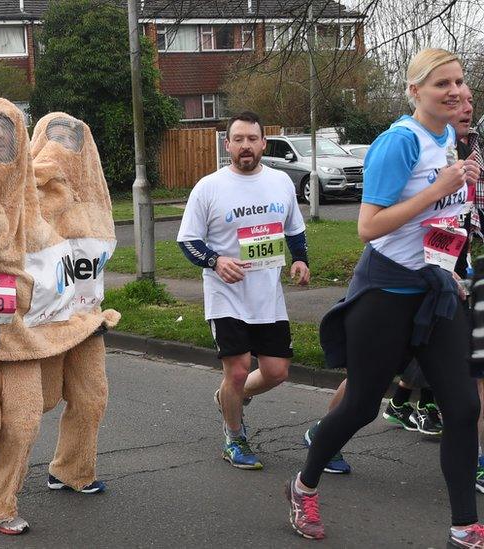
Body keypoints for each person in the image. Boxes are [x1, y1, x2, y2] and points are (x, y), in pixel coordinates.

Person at [286, 49, 484, 545]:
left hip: (436, 292)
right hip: (386, 294)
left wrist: (460, 195)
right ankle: (303, 484)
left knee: (461, 408)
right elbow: (368, 226)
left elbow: (438, 221)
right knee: (360, 405)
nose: (456, 91)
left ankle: (464, 527)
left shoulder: (449, 141)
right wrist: (441, 188)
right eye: (443, 84)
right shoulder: (398, 142)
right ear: (416, 91)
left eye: (460, 82)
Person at [177, 111, 309, 470]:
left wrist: (300, 259)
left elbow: (294, 228)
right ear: (228, 145)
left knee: (277, 371)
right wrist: (215, 261)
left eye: (253, 139)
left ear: (264, 143)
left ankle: (229, 398)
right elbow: (187, 241)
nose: (246, 146)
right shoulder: (209, 187)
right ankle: (234, 437)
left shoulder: (280, 182)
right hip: (226, 294)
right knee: (236, 371)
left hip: (267, 295)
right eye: (239, 139)